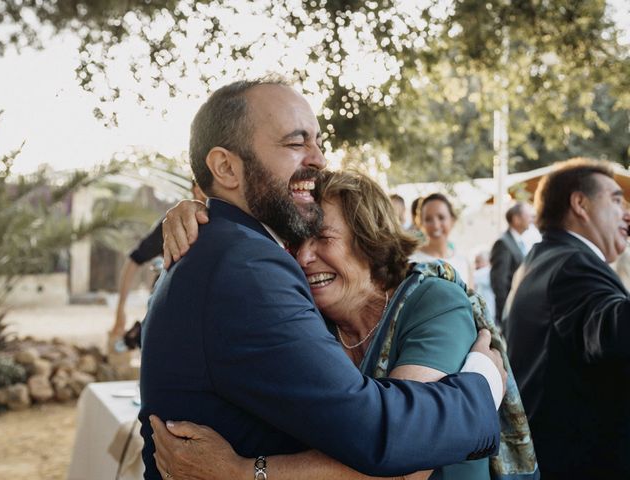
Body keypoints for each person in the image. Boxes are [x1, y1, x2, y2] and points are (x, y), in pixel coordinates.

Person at [140, 78, 505, 480]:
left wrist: (245, 472)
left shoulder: (224, 247)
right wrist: (485, 383)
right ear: (226, 166)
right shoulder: (247, 266)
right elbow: (381, 435)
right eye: (297, 143)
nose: (318, 158)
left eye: (318, 142)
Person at [504, 158, 630, 479]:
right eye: (616, 200)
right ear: (580, 204)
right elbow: (612, 333)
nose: (627, 212)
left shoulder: (542, 259)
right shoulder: (573, 264)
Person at [109, 181, 206, 340]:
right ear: (197, 190)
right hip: (167, 310)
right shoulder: (174, 223)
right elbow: (134, 260)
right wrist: (120, 309)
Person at [409, 193, 473, 286]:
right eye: (428, 219)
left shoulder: (463, 261)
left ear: (452, 220)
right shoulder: (412, 262)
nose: (436, 225)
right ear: (421, 223)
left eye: (441, 218)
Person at [489, 202, 534, 325]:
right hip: (510, 314)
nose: (532, 218)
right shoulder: (503, 243)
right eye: (528, 215)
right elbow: (499, 282)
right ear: (516, 219)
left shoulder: (518, 242)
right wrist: (507, 315)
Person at [473, 251, 495, 323]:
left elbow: (470, 277)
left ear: (487, 261)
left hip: (489, 315)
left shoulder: (487, 272)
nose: (476, 265)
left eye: (478, 262)